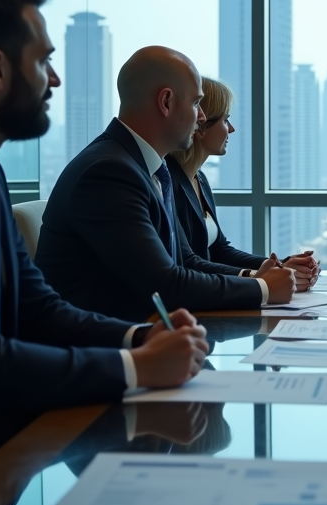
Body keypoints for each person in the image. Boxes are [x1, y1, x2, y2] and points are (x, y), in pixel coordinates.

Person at [0, 0, 208, 440]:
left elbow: (40, 308)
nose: (55, 78)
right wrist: (134, 367)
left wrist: (140, 339)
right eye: (44, 60)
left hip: (3, 442)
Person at [35, 46, 295, 323]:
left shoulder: (150, 169)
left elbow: (184, 261)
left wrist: (258, 278)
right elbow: (165, 284)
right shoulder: (109, 172)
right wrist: (263, 288)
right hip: (102, 349)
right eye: (196, 104)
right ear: (166, 102)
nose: (202, 117)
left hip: (148, 333)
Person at [166, 76, 320, 289]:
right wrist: (260, 277)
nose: (231, 129)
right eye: (225, 120)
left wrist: (280, 266)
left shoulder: (198, 178)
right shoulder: (167, 182)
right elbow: (189, 262)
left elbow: (219, 249)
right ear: (201, 125)